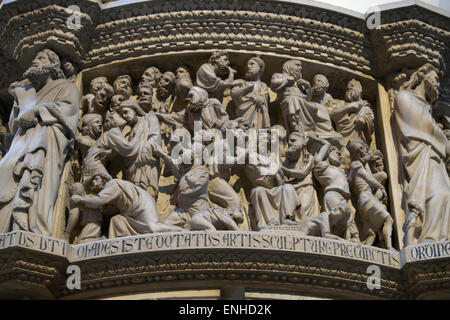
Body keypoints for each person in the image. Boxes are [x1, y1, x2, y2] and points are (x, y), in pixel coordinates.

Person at [0, 49, 79, 235]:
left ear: (53, 66)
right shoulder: (27, 91)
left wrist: (37, 111)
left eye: (41, 58)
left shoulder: (65, 87)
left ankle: (29, 228)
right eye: (35, 57)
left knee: (35, 189)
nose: (35, 61)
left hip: (45, 145)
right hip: (19, 146)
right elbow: (13, 127)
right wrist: (19, 103)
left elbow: (69, 111)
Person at [393, 63, 450, 245]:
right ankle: (428, 240)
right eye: (434, 78)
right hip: (419, 158)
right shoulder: (404, 97)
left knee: (446, 195)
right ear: (422, 75)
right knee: (439, 194)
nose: (437, 84)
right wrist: (444, 139)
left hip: (434, 157)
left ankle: (440, 238)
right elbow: (421, 126)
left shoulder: (427, 108)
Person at [71, 173, 183, 238]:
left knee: (152, 228)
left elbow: (98, 201)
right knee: (116, 221)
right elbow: (107, 209)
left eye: (96, 179)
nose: (93, 184)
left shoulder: (113, 184)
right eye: (91, 183)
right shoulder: (109, 192)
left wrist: (79, 199)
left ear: (104, 179)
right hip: (129, 213)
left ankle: (181, 232)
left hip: (141, 205)